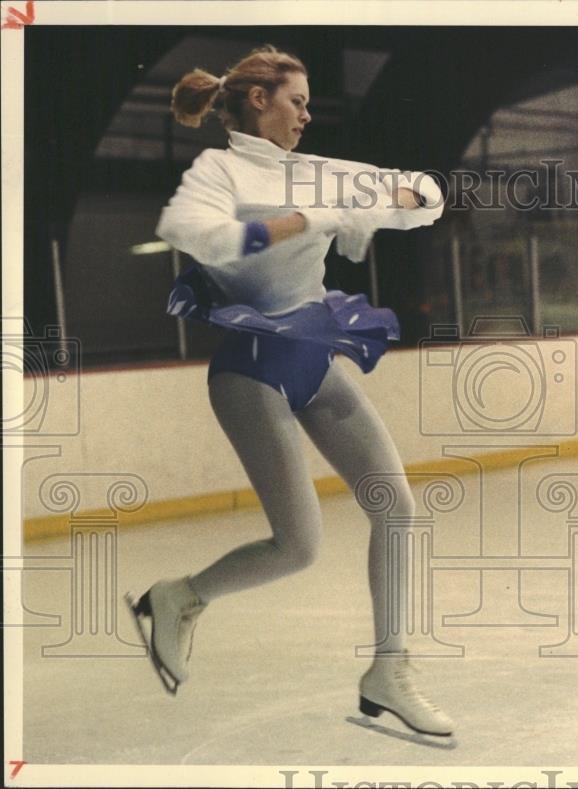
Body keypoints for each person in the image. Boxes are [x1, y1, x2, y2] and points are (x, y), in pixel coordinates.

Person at [128, 45, 453, 738]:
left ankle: (389, 671)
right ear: (257, 101)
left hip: (311, 355)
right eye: (297, 101)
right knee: (299, 546)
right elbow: (192, 233)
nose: (307, 114)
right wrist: (300, 220)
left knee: (397, 509)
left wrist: (397, 197)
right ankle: (180, 597)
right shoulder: (216, 171)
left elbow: (426, 194)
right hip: (249, 368)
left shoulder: (317, 172)